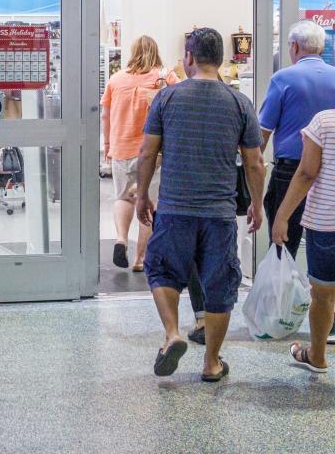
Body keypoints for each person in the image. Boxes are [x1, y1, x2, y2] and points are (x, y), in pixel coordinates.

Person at [136, 28, 265, 381]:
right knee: (220, 285)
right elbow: (254, 163)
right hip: (219, 213)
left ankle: (173, 334)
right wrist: (257, 203)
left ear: (189, 58)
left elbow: (147, 151)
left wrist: (142, 193)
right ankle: (211, 363)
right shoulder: (239, 103)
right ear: (220, 59)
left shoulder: (166, 99)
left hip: (175, 208)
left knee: (161, 269)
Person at [259, 20, 335, 261]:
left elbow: (263, 131)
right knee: (325, 239)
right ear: (321, 48)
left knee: (284, 242)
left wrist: (253, 166)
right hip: (330, 173)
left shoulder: (283, 79)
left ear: (293, 46)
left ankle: (286, 295)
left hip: (290, 171)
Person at [101, 35, 178, 271]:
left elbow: (105, 115)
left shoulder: (116, 80)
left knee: (123, 197)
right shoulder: (166, 78)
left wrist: (107, 145)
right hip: (152, 153)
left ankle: (121, 239)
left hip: (121, 148)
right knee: (149, 202)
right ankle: (140, 258)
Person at [272, 107, 335, 374]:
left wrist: (282, 215)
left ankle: (317, 356)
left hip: (327, 222)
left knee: (322, 293)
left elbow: (307, 173)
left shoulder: (324, 121)